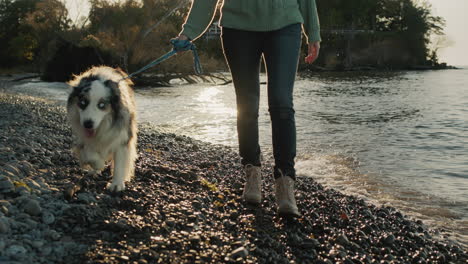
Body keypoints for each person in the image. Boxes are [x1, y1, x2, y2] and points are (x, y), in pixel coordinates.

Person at [176, 0, 320, 216]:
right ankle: (252, 172)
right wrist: (188, 33)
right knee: (247, 105)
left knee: (281, 103)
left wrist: (313, 32)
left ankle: (285, 183)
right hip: (238, 28)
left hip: (285, 24)